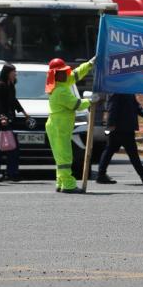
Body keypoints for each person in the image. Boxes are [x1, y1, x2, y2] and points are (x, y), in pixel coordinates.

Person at [45, 57, 94, 194]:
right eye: (61, 71)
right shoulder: (61, 91)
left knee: (60, 156)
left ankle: (60, 182)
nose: (65, 73)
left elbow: (76, 74)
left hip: (57, 125)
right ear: (55, 74)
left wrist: (89, 64)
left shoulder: (60, 83)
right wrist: (91, 100)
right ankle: (68, 184)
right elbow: (76, 105)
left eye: (65, 71)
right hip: (59, 126)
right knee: (65, 156)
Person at [96, 94, 143, 185]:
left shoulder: (127, 90)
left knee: (111, 150)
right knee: (130, 152)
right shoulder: (117, 90)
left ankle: (101, 175)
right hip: (120, 128)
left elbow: (136, 106)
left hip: (126, 127)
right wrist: (110, 125)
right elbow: (112, 107)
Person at [0, 64, 27, 180]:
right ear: (7, 73)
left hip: (7, 120)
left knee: (6, 147)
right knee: (1, 147)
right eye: (13, 72)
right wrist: (3, 118)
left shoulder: (11, 85)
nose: (15, 74)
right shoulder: (0, 86)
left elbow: (13, 101)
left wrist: (24, 112)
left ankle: (9, 172)